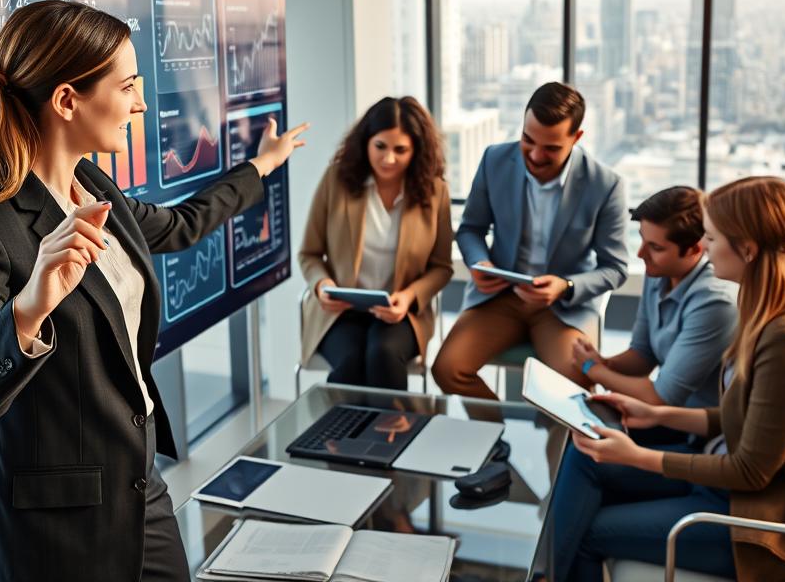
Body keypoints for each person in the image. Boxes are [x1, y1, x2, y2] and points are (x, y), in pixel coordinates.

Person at [0, 0, 308, 582]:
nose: (142, 103)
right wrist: (30, 308)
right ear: (67, 100)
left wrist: (261, 168)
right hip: (57, 528)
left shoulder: (93, 184)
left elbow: (179, 225)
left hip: (138, 481)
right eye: (127, 85)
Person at [544, 176, 785, 582]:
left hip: (761, 517)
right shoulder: (773, 302)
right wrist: (660, 416)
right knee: (584, 456)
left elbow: (751, 471)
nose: (706, 248)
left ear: (749, 250)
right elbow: (747, 418)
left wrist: (638, 456)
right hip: (725, 476)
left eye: (712, 238)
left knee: (588, 532)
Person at [432, 82, 628, 398]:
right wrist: (479, 262)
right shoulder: (494, 160)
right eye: (528, 140)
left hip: (562, 309)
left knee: (576, 388)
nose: (535, 155)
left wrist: (565, 286)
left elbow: (615, 268)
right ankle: (493, 439)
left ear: (576, 139)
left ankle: (557, 448)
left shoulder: (604, 184)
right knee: (447, 369)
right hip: (500, 298)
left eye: (551, 148)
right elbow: (470, 229)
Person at [298, 96, 453, 389]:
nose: (389, 159)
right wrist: (322, 286)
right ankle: (342, 434)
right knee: (351, 362)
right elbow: (309, 254)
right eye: (380, 146)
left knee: (382, 354)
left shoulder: (435, 193)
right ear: (365, 142)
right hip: (340, 312)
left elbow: (442, 267)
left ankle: (389, 434)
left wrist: (408, 297)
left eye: (401, 150)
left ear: (417, 150)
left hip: (401, 312)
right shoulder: (337, 181)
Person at [571, 186, 737, 420]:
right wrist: (604, 363)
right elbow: (643, 354)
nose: (640, 254)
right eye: (642, 240)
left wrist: (593, 370)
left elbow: (661, 398)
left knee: (588, 435)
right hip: (663, 416)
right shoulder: (659, 272)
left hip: (698, 426)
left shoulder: (715, 302)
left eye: (656, 247)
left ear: (695, 249)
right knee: (583, 428)